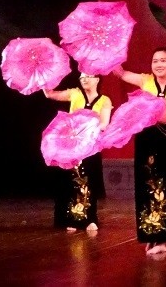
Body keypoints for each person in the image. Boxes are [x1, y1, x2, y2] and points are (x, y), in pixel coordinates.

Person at [112, 47, 166, 255]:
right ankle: (150, 236)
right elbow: (120, 73)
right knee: (144, 188)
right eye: (155, 61)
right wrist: (109, 55)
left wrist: (151, 113)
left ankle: (162, 238)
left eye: (163, 60)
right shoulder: (145, 81)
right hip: (145, 141)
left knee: (164, 188)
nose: (159, 64)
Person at [43, 73, 112, 233]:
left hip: (91, 146)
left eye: (88, 76)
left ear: (97, 79)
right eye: (81, 77)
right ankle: (72, 218)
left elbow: (104, 123)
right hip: (72, 146)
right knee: (72, 182)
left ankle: (89, 219)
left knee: (90, 181)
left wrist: (88, 128)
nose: (84, 79)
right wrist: (43, 80)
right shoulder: (75, 93)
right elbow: (50, 94)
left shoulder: (104, 100)